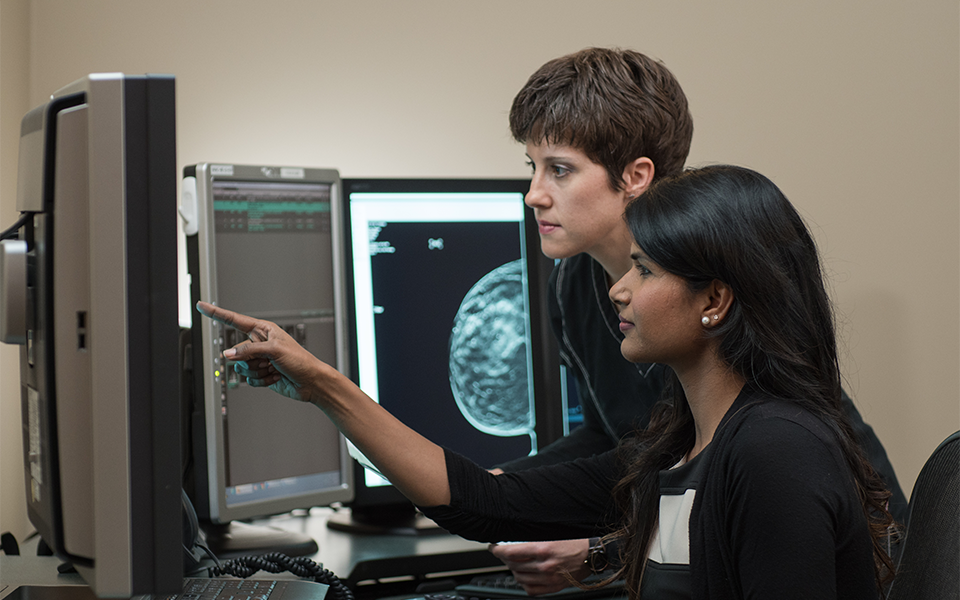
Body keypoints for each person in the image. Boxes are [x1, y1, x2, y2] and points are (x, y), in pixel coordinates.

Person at [197, 164, 896, 599]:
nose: (619, 292)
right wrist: (323, 385)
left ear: (714, 301)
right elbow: (482, 503)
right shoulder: (677, 447)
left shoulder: (775, 452)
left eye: (645, 271)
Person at [485, 47, 906, 594]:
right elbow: (611, 434)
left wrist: (601, 550)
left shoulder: (698, 289)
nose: (533, 195)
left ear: (635, 176)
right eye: (532, 167)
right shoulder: (573, 283)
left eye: (559, 170)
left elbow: (710, 466)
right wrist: (503, 484)